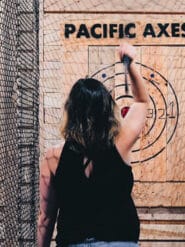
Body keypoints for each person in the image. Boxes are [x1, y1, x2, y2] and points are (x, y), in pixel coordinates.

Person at [37, 43, 149, 247]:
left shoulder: (53, 158)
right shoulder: (120, 144)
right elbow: (141, 102)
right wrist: (130, 65)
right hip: (120, 242)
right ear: (107, 110)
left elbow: (46, 218)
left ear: (70, 111)